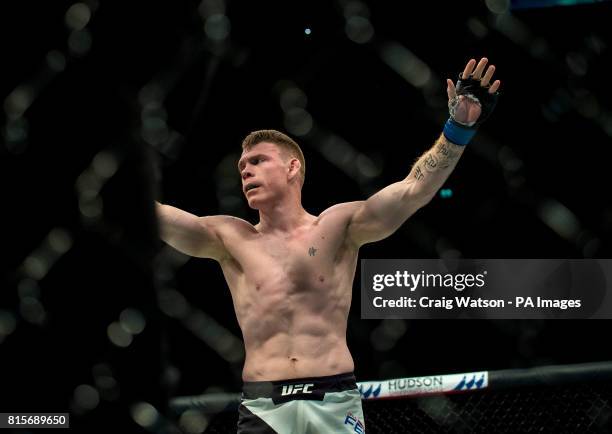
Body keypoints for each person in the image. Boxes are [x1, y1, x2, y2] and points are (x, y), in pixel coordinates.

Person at [156, 57, 501, 433]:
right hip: (263, 404)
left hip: (333, 398)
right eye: (242, 167)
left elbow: (413, 190)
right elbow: (157, 217)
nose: (246, 171)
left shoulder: (337, 225)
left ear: (292, 168)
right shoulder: (229, 236)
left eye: (257, 161)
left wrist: (459, 128)